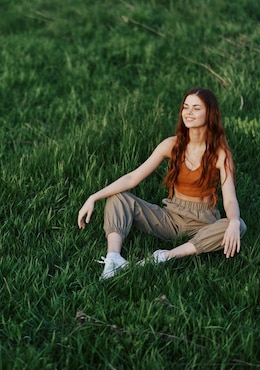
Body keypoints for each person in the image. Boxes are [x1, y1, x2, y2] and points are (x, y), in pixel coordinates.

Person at [77, 87, 247, 279]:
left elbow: (230, 200)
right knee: (118, 198)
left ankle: (163, 256)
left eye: (196, 108)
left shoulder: (220, 154)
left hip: (203, 222)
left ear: (210, 113)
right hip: (170, 217)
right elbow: (132, 178)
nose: (189, 112)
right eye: (186, 107)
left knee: (238, 225)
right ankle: (114, 259)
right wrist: (94, 196)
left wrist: (232, 221)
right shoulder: (172, 145)